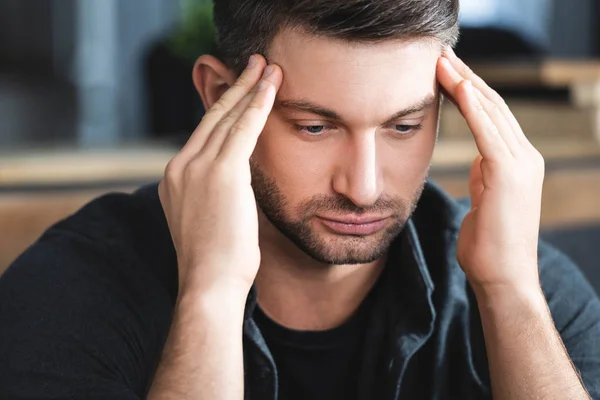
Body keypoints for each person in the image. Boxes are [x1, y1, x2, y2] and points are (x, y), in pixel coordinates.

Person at [0, 0, 598, 399]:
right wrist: (209, 296)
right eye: (315, 127)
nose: (363, 188)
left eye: (404, 126)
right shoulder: (71, 288)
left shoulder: (529, 284)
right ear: (217, 96)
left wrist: (511, 294)